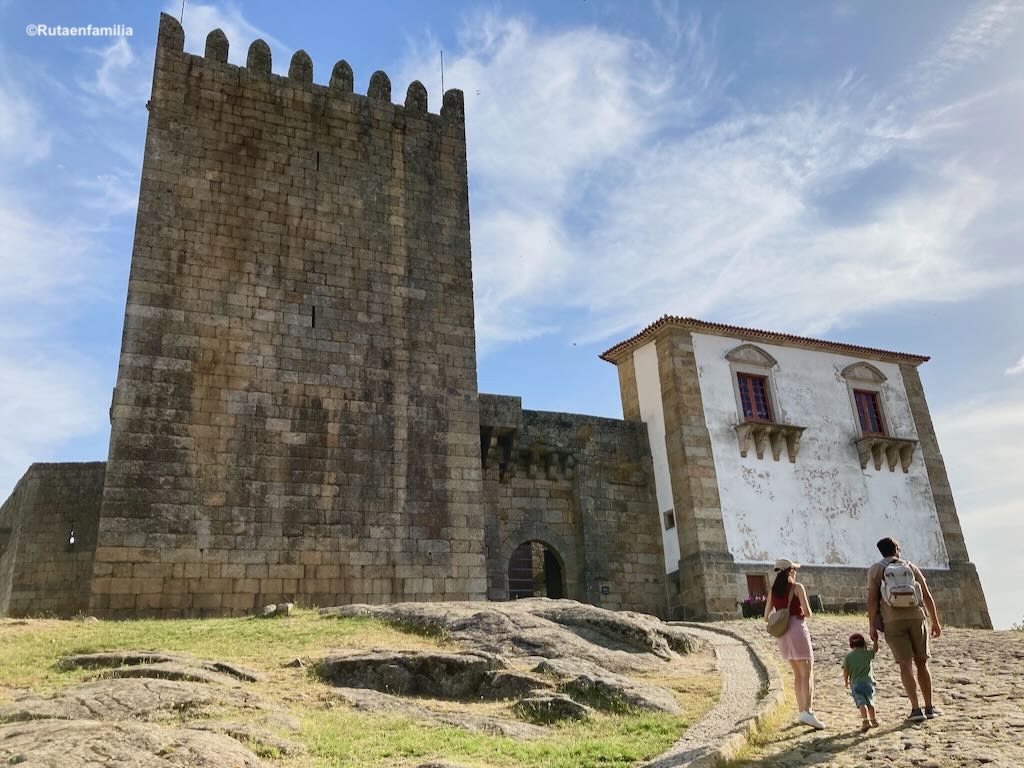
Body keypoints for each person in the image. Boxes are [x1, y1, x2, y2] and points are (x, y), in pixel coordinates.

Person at [867, 537, 943, 722]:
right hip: (917, 617)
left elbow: (872, 599)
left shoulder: (876, 569)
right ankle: (930, 707)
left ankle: (916, 709)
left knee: (905, 665)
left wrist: (871, 625)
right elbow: (925, 594)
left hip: (892, 621)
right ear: (897, 549)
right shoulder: (910, 566)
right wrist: (935, 621)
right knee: (922, 663)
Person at [764, 558, 825, 729]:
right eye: (794, 569)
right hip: (797, 628)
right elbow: (807, 612)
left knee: (798, 674)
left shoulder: (772, 591)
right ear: (790, 571)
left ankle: (801, 711)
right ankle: (808, 711)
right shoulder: (797, 587)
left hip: (783, 634)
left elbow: (766, 615)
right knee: (807, 673)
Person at [842, 632, 878, 732]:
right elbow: (875, 650)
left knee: (861, 703)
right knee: (870, 702)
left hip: (855, 684)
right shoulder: (867, 654)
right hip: (868, 683)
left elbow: (846, 671)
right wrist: (875, 640)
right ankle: (873, 720)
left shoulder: (848, 657)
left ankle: (865, 720)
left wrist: (846, 681)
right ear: (863, 643)